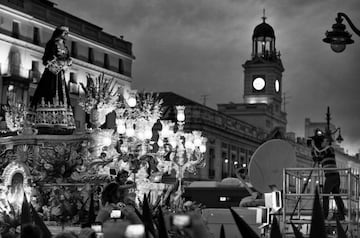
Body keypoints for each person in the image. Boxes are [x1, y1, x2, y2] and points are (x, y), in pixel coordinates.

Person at [30, 26, 72, 108]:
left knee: (62, 93)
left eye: (67, 33)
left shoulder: (65, 47)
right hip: (51, 74)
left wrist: (69, 63)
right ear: (59, 32)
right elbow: (46, 59)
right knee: (49, 91)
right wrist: (62, 62)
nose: (66, 35)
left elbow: (68, 59)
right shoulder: (51, 44)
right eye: (65, 32)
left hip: (61, 75)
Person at [311, 129, 346, 220]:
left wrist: (314, 146)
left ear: (325, 143)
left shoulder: (330, 149)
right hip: (333, 176)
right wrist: (313, 148)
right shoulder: (323, 153)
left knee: (325, 195)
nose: (321, 144)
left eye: (322, 142)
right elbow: (316, 159)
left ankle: (325, 215)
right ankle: (342, 214)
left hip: (332, 176)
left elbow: (320, 153)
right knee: (336, 195)